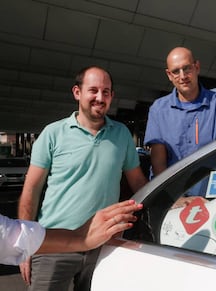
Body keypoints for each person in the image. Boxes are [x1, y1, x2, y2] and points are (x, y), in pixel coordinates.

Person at [18, 65, 148, 290]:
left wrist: (172, 201)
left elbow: (137, 182)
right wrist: (25, 245)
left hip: (104, 245)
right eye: (93, 90)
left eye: (106, 92)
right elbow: (31, 190)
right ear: (77, 92)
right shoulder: (53, 133)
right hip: (54, 243)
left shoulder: (122, 135)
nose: (100, 97)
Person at [144, 46, 216, 178]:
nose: (183, 76)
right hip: (175, 195)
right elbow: (159, 164)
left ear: (197, 67)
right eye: (176, 71)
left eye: (187, 68)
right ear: (169, 75)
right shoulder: (158, 110)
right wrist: (175, 198)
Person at [1, 200, 142, 266]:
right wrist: (81, 238)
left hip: (99, 245)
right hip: (51, 250)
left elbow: (11, 237)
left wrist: (81, 238)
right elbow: (32, 189)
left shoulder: (122, 140)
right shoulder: (50, 139)